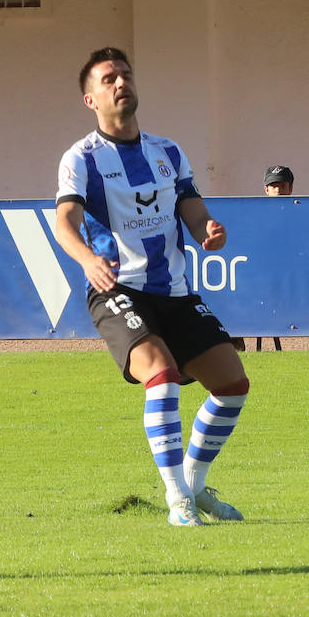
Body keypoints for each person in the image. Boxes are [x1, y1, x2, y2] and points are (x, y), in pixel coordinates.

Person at [54, 47, 249, 527]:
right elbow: (63, 222)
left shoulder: (168, 151)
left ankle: (196, 486)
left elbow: (193, 208)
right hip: (118, 289)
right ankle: (177, 499)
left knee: (232, 384)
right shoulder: (81, 158)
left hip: (176, 291)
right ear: (90, 99)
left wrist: (208, 232)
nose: (120, 82)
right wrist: (87, 260)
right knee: (160, 375)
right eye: (108, 79)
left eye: (125, 74)